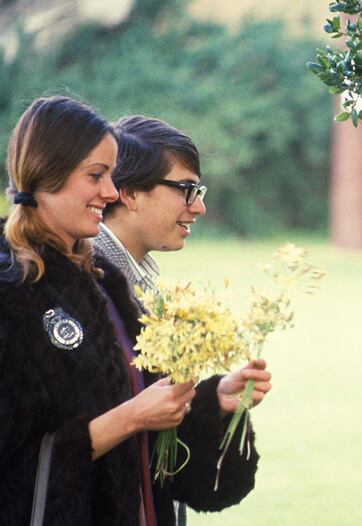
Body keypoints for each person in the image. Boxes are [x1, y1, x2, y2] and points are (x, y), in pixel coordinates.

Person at [92, 115, 272, 525]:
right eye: (186, 189)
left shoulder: (137, 280)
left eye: (199, 191)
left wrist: (213, 401)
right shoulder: (82, 283)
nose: (199, 206)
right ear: (129, 192)